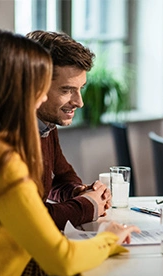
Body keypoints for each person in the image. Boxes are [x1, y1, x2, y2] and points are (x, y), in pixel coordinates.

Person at [0, 28, 140, 276]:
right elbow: (61, 259)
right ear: (18, 88)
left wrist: (81, 197)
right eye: (39, 85)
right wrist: (109, 238)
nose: (42, 96)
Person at [25, 30, 110, 230]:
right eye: (67, 90)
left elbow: (61, 178)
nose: (79, 102)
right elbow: (33, 220)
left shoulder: (47, 124)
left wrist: (79, 192)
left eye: (80, 88)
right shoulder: (9, 137)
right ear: (35, 86)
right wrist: (88, 206)